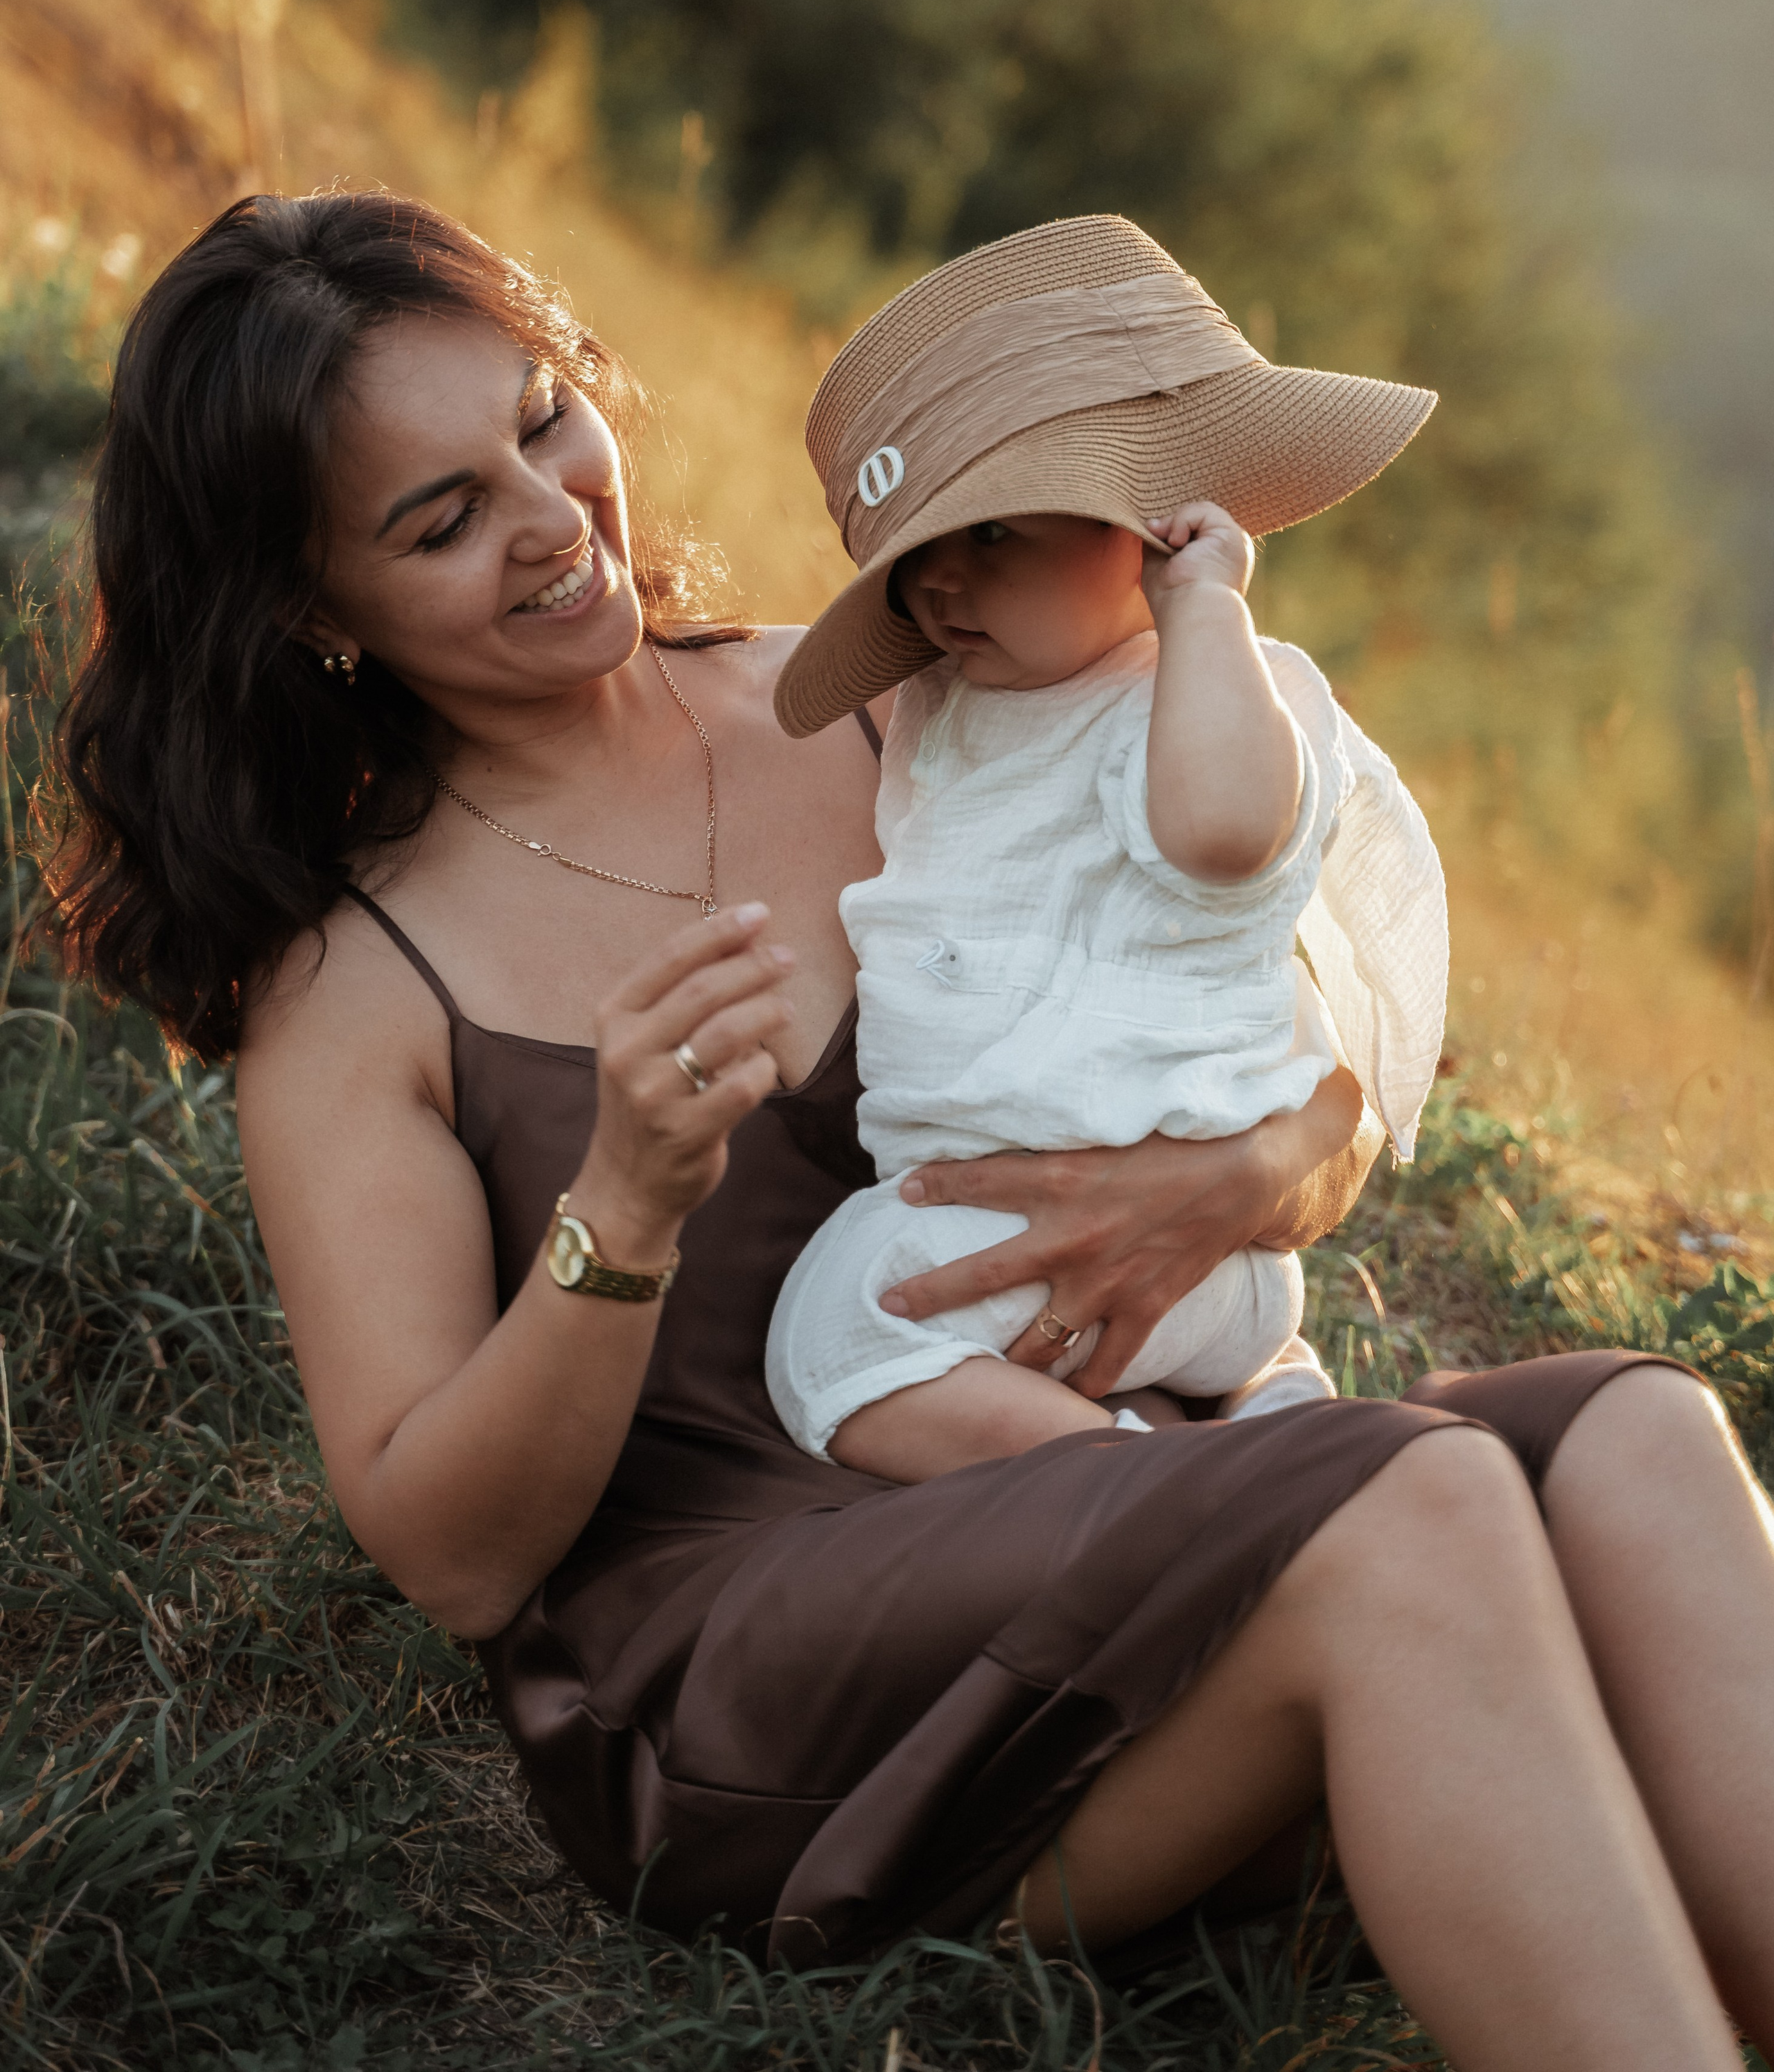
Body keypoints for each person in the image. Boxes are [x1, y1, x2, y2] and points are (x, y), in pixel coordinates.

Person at [44, 190, 1774, 2072]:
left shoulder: (921, 712)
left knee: (1634, 1435)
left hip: (1129, 1493)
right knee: (1409, 1493)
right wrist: (623, 1210)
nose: (550, 515)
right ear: (314, 610)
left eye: (543, 418)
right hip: (763, 1655)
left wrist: (1264, 1168)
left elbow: (1281, 1019)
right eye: (441, 518)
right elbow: (451, 1556)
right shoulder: (357, 986)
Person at [763, 220, 1447, 1480]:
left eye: (993, 534)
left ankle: (1151, 1490)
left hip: (1180, 1229)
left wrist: (1206, 608)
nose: (941, 586)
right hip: (1071, 1244)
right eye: (916, 556)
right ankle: (1260, 1411)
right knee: (880, 1306)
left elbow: (1225, 835)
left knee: (835, 1336)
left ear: (1157, 526)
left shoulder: (1202, 695)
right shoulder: (955, 709)